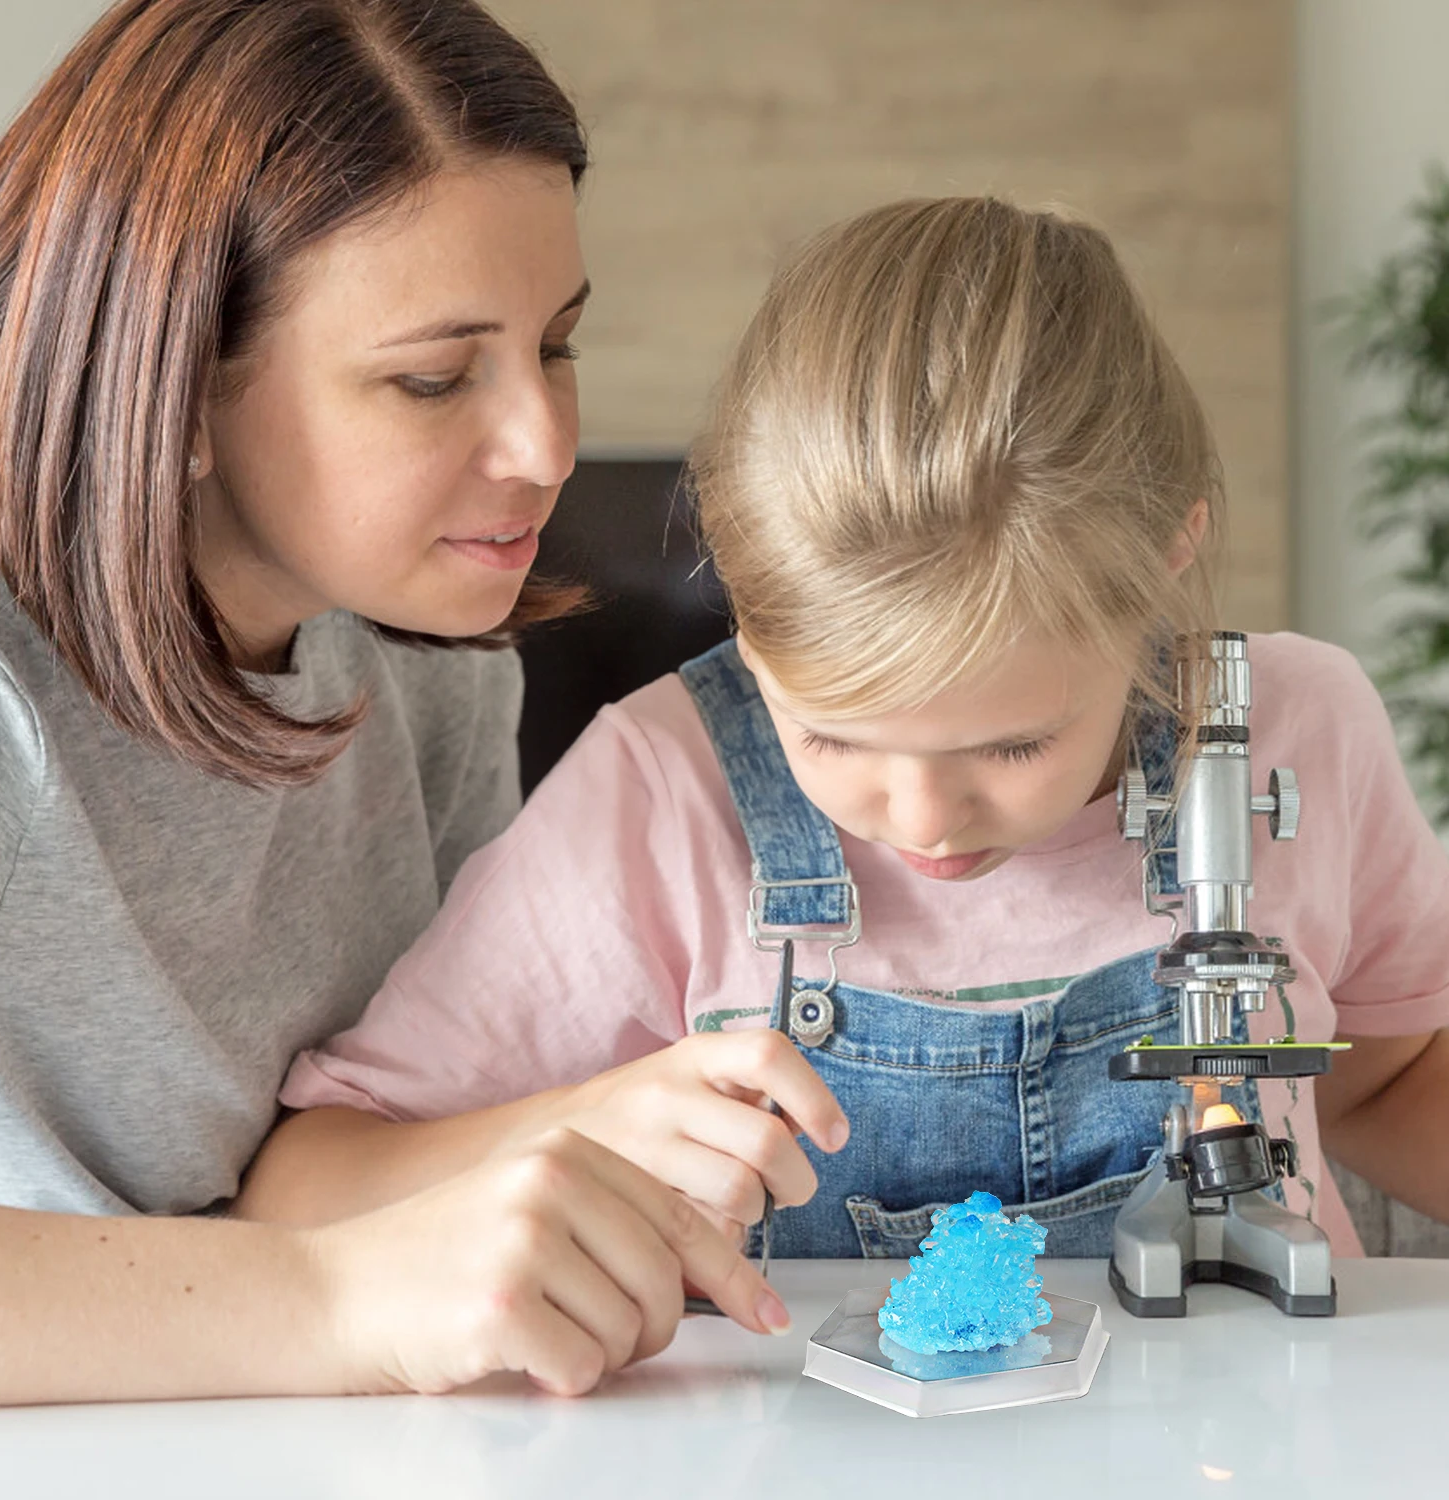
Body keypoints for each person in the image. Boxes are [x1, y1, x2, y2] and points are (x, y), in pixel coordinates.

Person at [245, 197, 1449, 1260]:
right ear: (740, 596)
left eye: (1012, 744)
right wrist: (571, 1131)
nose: (922, 820)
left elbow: (1381, 1082)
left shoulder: (1299, 728)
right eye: (831, 737)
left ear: (1166, 557)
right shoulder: (662, 790)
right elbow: (303, 1192)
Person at [0, 0, 797, 1409]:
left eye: (560, 346)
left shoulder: (432, 671)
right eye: (433, 377)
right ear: (182, 391)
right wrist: (343, 1299)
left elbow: (377, 1139)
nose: (543, 445)